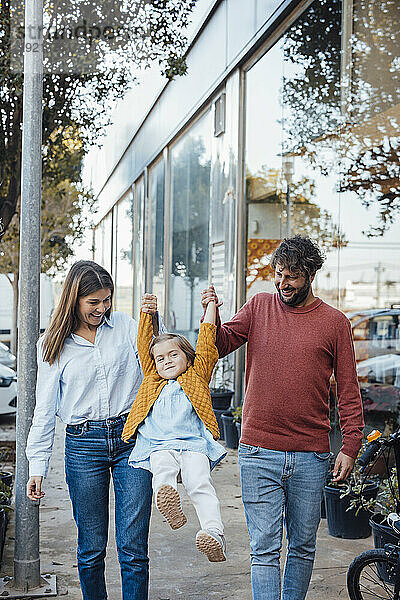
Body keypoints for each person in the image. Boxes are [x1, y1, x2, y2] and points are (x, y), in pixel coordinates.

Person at [201, 235, 364, 600]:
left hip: (311, 455)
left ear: (310, 274)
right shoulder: (259, 306)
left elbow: (349, 392)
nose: (283, 283)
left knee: (303, 547)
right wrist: (211, 312)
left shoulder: (335, 323)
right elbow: (220, 343)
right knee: (264, 549)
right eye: (278, 274)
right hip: (259, 450)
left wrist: (351, 444)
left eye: (292, 276)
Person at [26, 260, 164, 600]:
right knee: (91, 548)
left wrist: (153, 322)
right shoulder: (52, 346)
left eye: (107, 300)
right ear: (74, 299)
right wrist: (37, 466)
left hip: (131, 438)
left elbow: (155, 363)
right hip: (82, 446)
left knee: (133, 548)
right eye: (94, 302)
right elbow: (43, 410)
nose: (103, 309)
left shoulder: (126, 325)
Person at [121, 293, 227, 563]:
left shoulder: (196, 374)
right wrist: (147, 315)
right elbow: (145, 344)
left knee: (200, 483)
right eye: (160, 358)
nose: (166, 361)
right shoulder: (152, 379)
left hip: (193, 444)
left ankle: (214, 534)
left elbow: (206, 342)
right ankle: (169, 500)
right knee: (162, 471)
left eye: (173, 354)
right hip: (159, 444)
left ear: (188, 358)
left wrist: (211, 308)